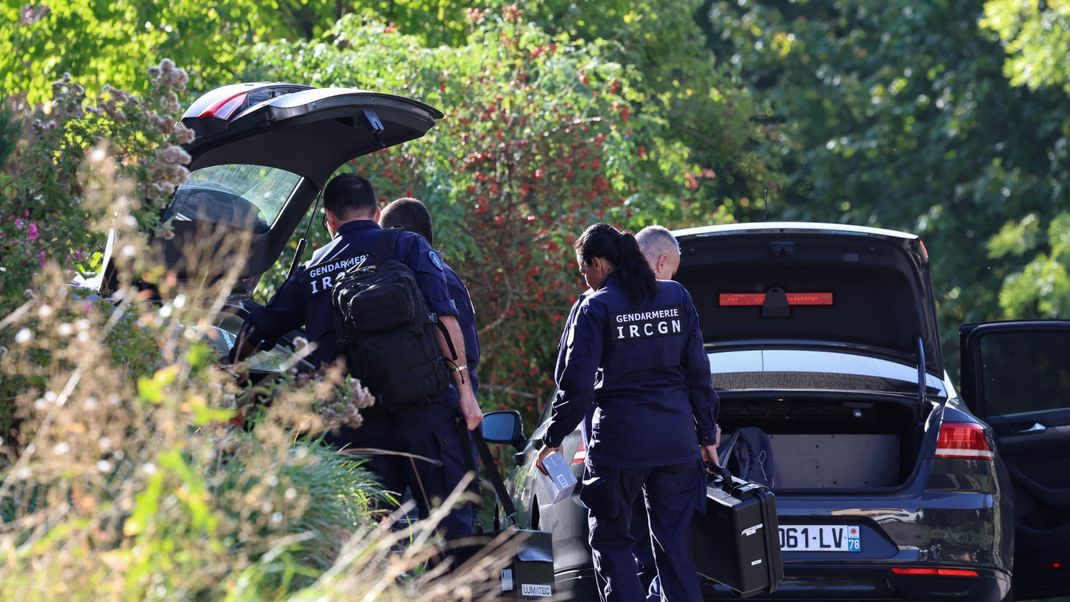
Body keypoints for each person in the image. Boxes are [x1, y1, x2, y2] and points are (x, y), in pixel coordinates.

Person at [230, 174, 482, 541]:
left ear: (329, 218)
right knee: (450, 531)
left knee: (362, 538)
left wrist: (228, 368)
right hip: (427, 412)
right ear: (377, 212)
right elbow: (445, 318)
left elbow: (260, 327)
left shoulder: (311, 271)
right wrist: (466, 394)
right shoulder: (407, 245)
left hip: (355, 424)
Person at [538, 223, 719, 602]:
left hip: (619, 445)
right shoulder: (676, 295)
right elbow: (699, 373)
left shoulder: (595, 308)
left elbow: (577, 386)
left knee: (612, 540)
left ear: (600, 263)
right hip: (675, 441)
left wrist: (552, 439)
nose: (584, 278)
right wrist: (706, 435)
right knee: (676, 549)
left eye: (583, 269)